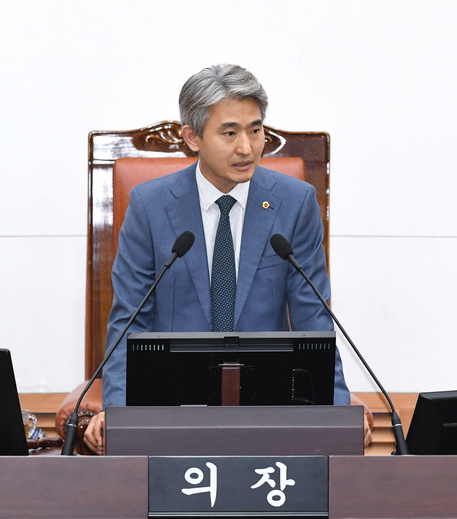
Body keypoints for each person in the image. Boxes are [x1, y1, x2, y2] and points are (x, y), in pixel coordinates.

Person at [83, 64, 372, 454]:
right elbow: (128, 321)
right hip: (172, 405)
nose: (246, 148)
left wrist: (336, 415)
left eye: (255, 130)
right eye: (230, 132)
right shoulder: (150, 206)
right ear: (192, 137)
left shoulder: (294, 203)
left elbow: (314, 319)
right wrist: (120, 415)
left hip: (268, 405)